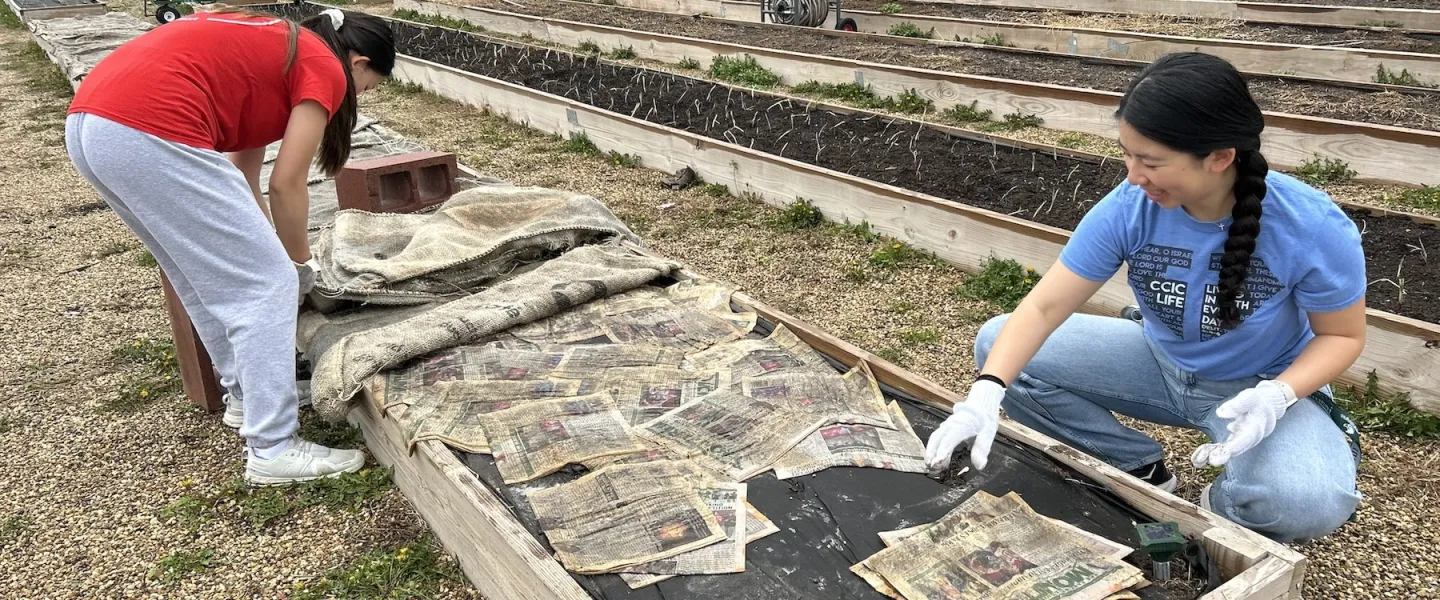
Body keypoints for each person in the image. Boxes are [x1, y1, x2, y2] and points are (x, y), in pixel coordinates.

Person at [924, 52, 1367, 544]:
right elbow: (1044, 307)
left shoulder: (1311, 225)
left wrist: (1278, 395)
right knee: (998, 344)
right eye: (1128, 154)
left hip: (1258, 388)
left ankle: (1219, 511)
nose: (1134, 175)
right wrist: (986, 391)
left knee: (1304, 502)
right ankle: (1137, 467)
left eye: (1152, 161)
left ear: (1220, 157)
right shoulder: (1130, 206)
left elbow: (1342, 336)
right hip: (1158, 363)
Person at [64, 8, 395, 485]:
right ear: (359, 62)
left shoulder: (281, 50)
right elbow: (287, 185)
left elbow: (244, 177)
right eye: (368, 86)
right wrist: (297, 266)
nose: (358, 97)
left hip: (95, 124)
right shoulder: (324, 65)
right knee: (266, 286)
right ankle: (273, 447)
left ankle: (245, 398)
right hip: (147, 126)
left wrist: (267, 253)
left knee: (204, 278)